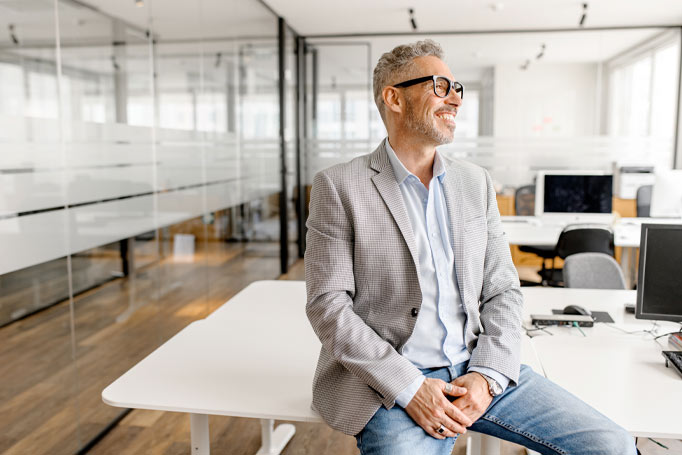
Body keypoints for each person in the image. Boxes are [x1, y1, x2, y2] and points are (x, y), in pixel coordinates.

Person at [305, 39, 636, 455]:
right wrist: (410, 387)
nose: (455, 100)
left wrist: (487, 374)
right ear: (393, 98)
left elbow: (503, 290)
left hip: (478, 364)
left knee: (614, 444)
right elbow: (328, 305)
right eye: (440, 86)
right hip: (390, 381)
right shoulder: (339, 186)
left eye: (458, 89)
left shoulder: (474, 182)